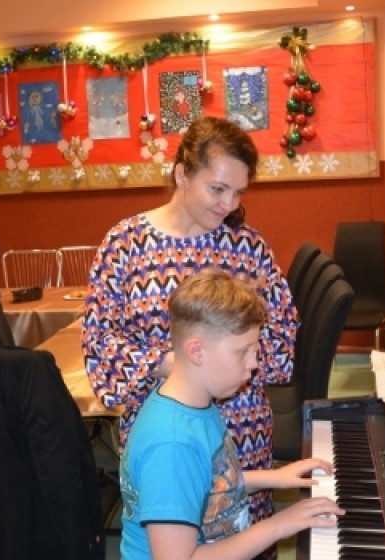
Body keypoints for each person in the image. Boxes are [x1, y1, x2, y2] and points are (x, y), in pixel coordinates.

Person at [118, 270, 342, 560]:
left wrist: (273, 478)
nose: (255, 363)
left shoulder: (192, 400)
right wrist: (278, 525)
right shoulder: (171, 442)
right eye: (244, 351)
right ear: (197, 351)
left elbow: (207, 485)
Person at [83, 116, 298, 529]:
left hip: (238, 429)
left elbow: (282, 338)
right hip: (162, 435)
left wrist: (237, 355)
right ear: (182, 174)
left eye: (238, 192)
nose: (229, 204)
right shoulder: (126, 244)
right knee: (171, 541)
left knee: (240, 548)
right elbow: (99, 344)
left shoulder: (247, 248)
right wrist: (173, 366)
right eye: (217, 189)